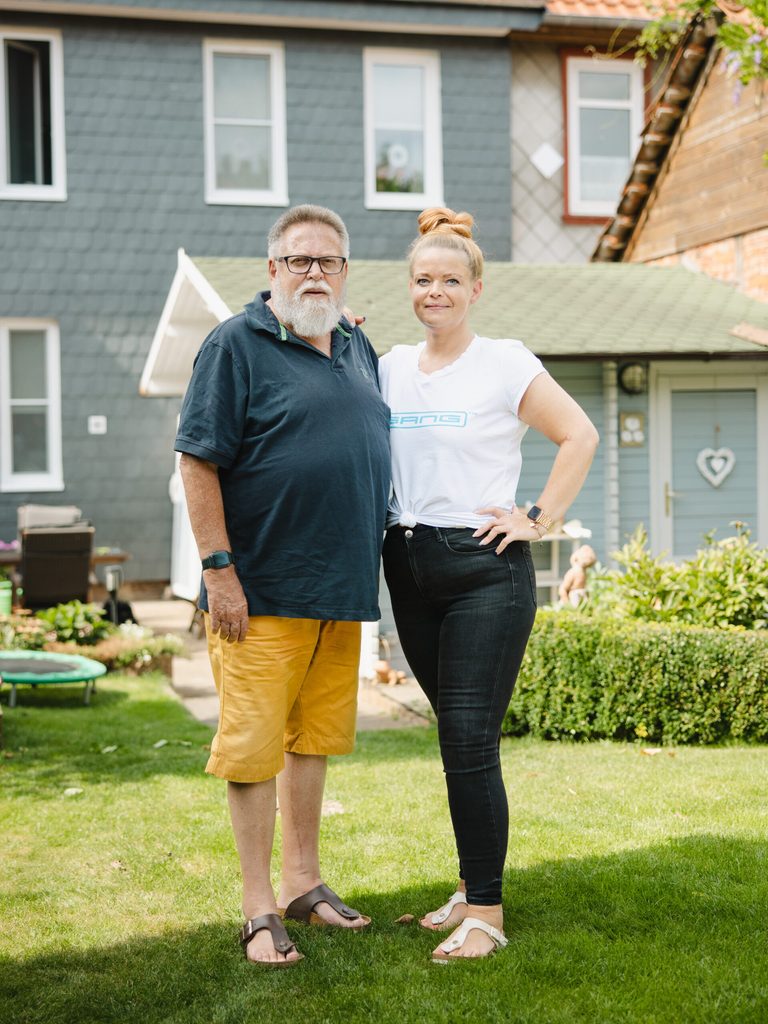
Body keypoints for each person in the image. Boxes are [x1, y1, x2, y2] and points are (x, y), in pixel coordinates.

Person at [379, 207, 599, 962]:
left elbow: (579, 434)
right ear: (410, 287)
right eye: (423, 280)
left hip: (483, 571)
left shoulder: (504, 362)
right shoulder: (390, 367)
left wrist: (537, 517)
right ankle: (471, 887)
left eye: (449, 280)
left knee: (469, 742)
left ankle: (487, 915)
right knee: (456, 739)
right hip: (408, 566)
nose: (434, 292)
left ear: (476, 288)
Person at [175, 205, 390, 968]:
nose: (314, 274)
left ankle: (304, 883)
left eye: (328, 262)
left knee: (313, 744)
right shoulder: (235, 344)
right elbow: (197, 460)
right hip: (259, 593)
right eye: (299, 261)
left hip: (340, 592)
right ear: (273, 270)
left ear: (344, 272)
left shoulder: (356, 345)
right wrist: (219, 571)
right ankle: (257, 906)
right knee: (253, 754)